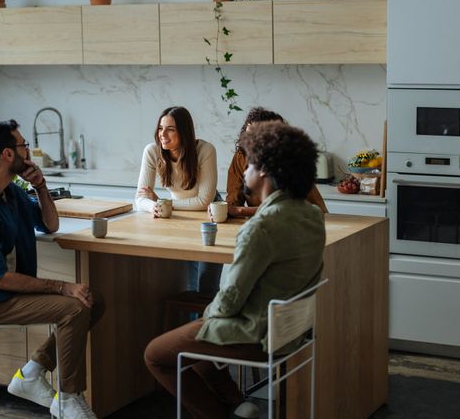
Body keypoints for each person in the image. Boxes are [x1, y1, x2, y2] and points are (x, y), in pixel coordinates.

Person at [144, 121, 326, 419]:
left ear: (264, 172)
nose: (244, 170)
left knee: (156, 355)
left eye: (250, 162)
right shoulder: (311, 217)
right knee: (198, 347)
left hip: (256, 335)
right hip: (291, 332)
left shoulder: (262, 228)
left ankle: (219, 415)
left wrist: (206, 319)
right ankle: (237, 406)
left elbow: (230, 298)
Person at [0, 120, 104, 419]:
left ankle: (31, 373)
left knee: (93, 301)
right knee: (75, 308)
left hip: (8, 292)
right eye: (23, 145)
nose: (27, 151)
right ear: (7, 154)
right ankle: (68, 399)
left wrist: (40, 186)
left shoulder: (10, 192)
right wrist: (63, 287)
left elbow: (50, 224)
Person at [135, 106, 219, 293]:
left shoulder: (205, 150)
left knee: (206, 285)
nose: (163, 134)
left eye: (170, 129)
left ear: (184, 131)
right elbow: (140, 198)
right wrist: (154, 207)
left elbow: (204, 201)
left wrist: (165, 204)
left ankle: (208, 322)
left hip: (208, 215)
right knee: (186, 284)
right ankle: (190, 322)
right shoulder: (152, 151)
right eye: (160, 128)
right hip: (177, 215)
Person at [226, 107, 327, 218]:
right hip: (263, 223)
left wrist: (241, 211)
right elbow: (233, 200)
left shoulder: (286, 161)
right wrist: (225, 210)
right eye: (247, 132)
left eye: (254, 135)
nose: (248, 141)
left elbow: (291, 208)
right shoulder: (241, 156)